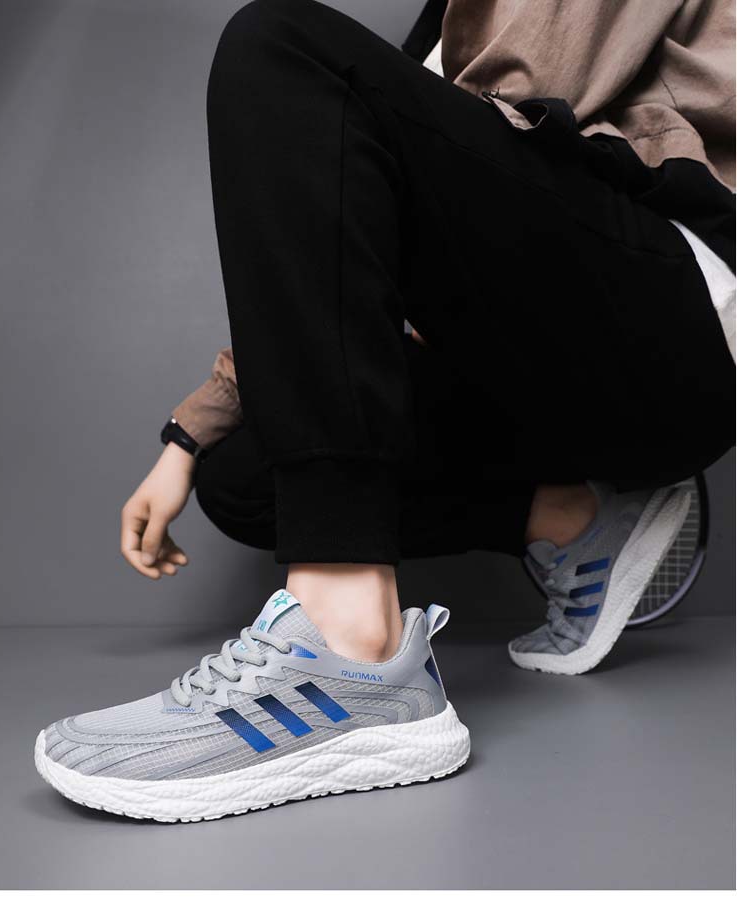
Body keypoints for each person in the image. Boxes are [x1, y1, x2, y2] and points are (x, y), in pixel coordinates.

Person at [36, 0, 734, 822]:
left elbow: (505, 105)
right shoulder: (444, 20)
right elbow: (339, 217)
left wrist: (389, 176)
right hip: (527, 357)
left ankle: (350, 649)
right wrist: (190, 435)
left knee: (281, 48)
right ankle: (577, 520)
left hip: (675, 329)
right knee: (245, 474)